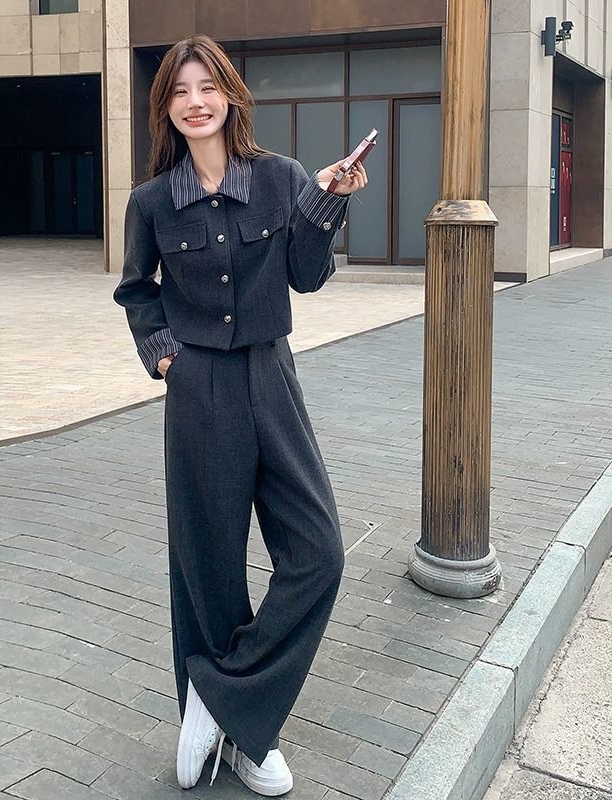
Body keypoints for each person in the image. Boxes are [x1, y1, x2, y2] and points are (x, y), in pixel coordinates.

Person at [114, 35, 367, 797]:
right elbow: (136, 290)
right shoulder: (151, 201)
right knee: (208, 565)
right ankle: (248, 738)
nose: (195, 102)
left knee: (318, 553)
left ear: (229, 95)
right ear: (165, 107)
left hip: (271, 375)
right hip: (199, 389)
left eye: (207, 87)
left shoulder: (280, 178)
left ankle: (221, 696)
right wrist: (165, 356)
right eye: (179, 91)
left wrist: (327, 204)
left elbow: (305, 276)